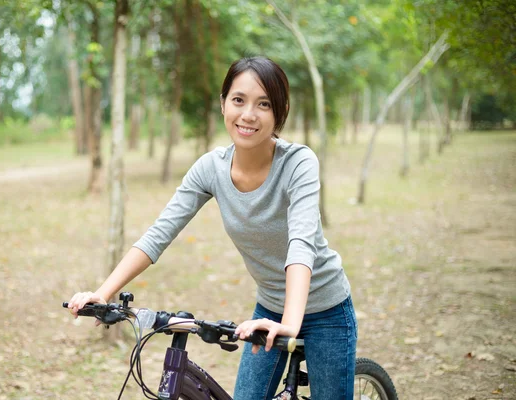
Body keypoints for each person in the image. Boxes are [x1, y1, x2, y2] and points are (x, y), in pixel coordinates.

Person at [68, 56, 357, 399]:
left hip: (327, 311)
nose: (248, 114)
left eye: (263, 104)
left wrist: (291, 324)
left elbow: (301, 243)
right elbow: (159, 233)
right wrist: (103, 293)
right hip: (269, 307)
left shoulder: (298, 163)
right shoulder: (210, 169)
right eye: (238, 100)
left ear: (281, 111)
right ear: (223, 105)